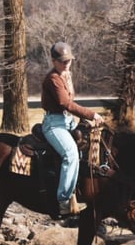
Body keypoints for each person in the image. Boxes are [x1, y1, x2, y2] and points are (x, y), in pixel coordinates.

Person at [41, 41, 104, 217]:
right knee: (70, 154)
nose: (66, 63)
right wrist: (91, 115)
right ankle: (64, 200)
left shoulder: (66, 75)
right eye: (62, 61)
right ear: (53, 61)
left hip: (68, 121)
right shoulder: (53, 78)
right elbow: (65, 103)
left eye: (68, 60)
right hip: (54, 124)